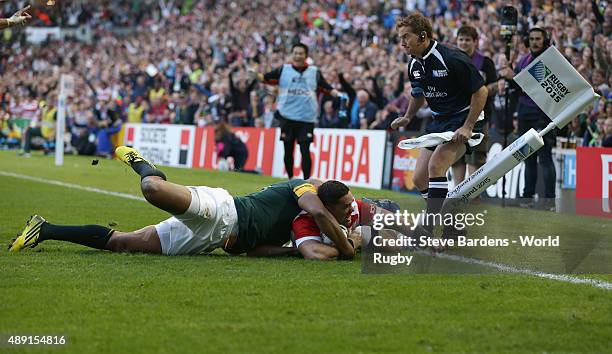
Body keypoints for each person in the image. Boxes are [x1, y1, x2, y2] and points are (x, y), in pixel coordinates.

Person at [9, 146, 356, 259]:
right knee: (154, 191)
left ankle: (46, 228)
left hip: (214, 237)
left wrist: (292, 252)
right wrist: (348, 249)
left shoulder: (304, 220)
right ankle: (139, 162)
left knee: (124, 243)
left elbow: (257, 251)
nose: (349, 212)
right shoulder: (306, 191)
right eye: (345, 207)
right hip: (222, 210)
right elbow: (318, 212)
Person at [390, 14, 488, 232]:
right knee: (418, 178)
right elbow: (418, 94)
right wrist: (407, 116)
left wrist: (468, 126)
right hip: (440, 122)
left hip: (464, 119)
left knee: (436, 166)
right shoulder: (414, 64)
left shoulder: (451, 57)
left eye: (406, 37)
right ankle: (454, 225)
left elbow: (481, 91)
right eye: (400, 38)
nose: (402, 42)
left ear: (423, 36)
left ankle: (427, 228)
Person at [249, 43, 347, 179]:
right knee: (288, 150)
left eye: (300, 53)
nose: (297, 56)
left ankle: (306, 181)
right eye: (295, 53)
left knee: (305, 151)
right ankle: (290, 179)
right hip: (287, 115)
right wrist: (255, 75)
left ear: (306, 56)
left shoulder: (314, 72)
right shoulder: (284, 69)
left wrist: (337, 93)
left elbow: (325, 87)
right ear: (292, 54)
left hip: (306, 117)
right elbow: (266, 78)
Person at [502, 27, 556, 209]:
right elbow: (518, 87)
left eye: (538, 38)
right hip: (525, 112)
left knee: (545, 158)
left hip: (543, 114)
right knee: (528, 158)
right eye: (531, 38)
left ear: (545, 40)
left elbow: (541, 86)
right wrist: (509, 78)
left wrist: (514, 76)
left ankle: (549, 200)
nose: (534, 42)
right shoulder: (524, 60)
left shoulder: (550, 59)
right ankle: (527, 197)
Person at [451, 25, 498, 188]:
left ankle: (472, 196)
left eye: (467, 40)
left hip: (480, 116)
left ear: (475, 42)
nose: (463, 43)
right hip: (456, 116)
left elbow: (495, 85)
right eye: (461, 39)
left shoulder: (485, 62)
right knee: (456, 157)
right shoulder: (452, 60)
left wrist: (480, 90)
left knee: (476, 157)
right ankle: (457, 194)